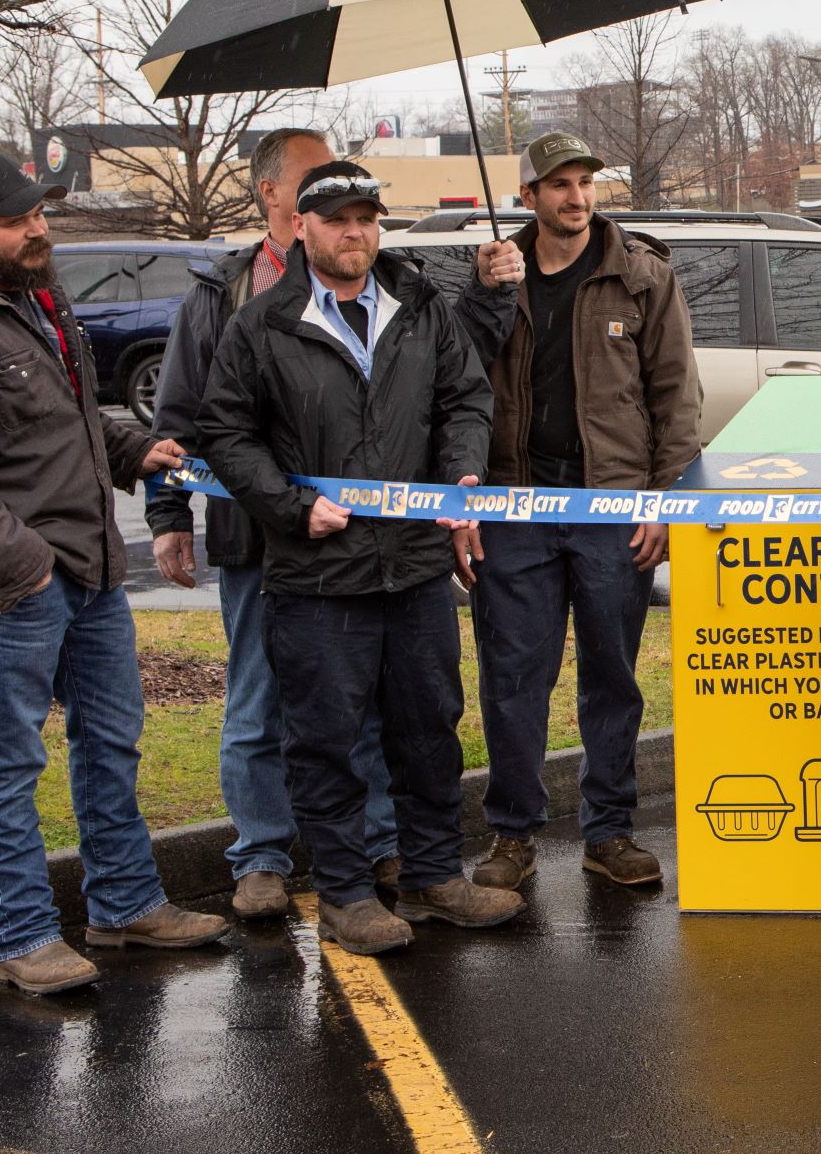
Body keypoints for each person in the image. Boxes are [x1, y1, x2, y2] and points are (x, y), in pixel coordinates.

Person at [0, 153, 229, 995]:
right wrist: (28, 570)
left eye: (40, 213)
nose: (38, 229)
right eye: (17, 219)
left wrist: (134, 450)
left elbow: (73, 420)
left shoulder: (40, 299)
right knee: (7, 765)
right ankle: (22, 937)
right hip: (16, 591)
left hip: (92, 571)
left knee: (111, 742)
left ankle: (124, 905)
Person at [195, 161, 520, 955]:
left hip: (413, 568)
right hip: (317, 577)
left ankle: (435, 875)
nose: (356, 233)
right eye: (338, 218)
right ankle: (343, 894)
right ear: (300, 225)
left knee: (428, 727)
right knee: (326, 738)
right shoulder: (261, 325)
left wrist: (461, 474)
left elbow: (464, 400)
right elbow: (226, 434)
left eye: (368, 217)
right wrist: (291, 507)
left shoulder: (421, 308)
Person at [149, 128, 404, 920]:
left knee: (359, 696)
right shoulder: (221, 295)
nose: (333, 190)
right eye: (312, 176)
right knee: (258, 697)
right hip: (255, 538)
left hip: (351, 535)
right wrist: (168, 515)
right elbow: (182, 416)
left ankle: (376, 839)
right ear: (271, 194)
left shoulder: (379, 281)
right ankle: (259, 855)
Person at [459, 132, 704, 893]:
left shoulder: (641, 274)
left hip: (614, 506)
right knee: (513, 680)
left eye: (585, 182)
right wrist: (481, 295)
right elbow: (453, 381)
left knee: (612, 678)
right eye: (558, 185)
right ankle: (511, 836)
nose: (576, 197)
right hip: (515, 507)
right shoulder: (495, 275)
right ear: (527, 197)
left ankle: (610, 831)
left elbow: (676, 396)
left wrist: (665, 501)